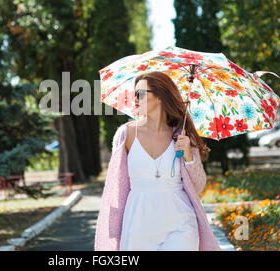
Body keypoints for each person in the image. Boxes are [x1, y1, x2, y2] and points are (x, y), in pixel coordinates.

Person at [94, 71, 221, 251]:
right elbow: (116, 188)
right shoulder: (126, 134)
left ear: (160, 96)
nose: (135, 99)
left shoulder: (182, 135)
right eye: (134, 94)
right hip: (138, 222)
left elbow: (199, 185)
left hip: (180, 222)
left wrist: (189, 156)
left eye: (141, 94)